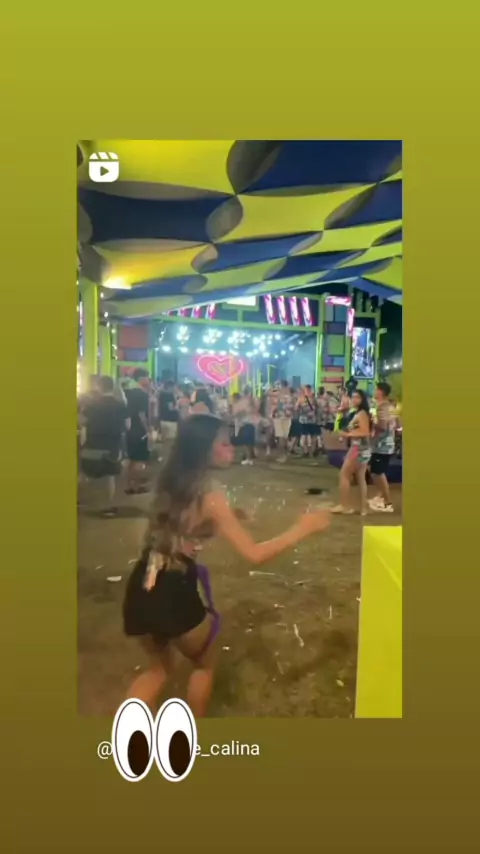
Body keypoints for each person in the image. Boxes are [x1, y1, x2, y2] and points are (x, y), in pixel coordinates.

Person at [123, 414, 331, 716]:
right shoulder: (211, 497)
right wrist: (303, 528)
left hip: (144, 581)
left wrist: (230, 515)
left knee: (158, 670)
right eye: (223, 443)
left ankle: (128, 734)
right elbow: (254, 554)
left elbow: (184, 524)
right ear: (204, 450)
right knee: (204, 664)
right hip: (173, 590)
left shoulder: (172, 481)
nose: (231, 447)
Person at [79, 375, 130, 517]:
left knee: (89, 473)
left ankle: (88, 502)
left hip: (93, 443)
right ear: (112, 387)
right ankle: (108, 507)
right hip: (112, 445)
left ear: (99, 387)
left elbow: (81, 421)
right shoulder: (120, 405)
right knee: (109, 476)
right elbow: (127, 425)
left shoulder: (91, 404)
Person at [332, 389, 372, 516]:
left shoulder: (361, 414)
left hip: (357, 449)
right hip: (362, 449)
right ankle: (363, 508)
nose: (354, 399)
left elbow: (365, 432)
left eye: (357, 397)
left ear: (362, 399)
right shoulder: (359, 413)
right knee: (360, 477)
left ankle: (344, 506)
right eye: (353, 397)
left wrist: (348, 435)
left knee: (344, 475)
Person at [368, 382, 395, 513]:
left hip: (381, 445)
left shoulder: (382, 407)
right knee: (375, 471)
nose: (374, 391)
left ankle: (387, 502)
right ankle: (380, 496)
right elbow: (397, 424)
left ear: (381, 392)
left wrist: (372, 424)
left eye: (376, 389)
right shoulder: (390, 406)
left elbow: (382, 426)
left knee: (378, 473)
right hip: (387, 444)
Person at [125, 369, 151, 495]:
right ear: (142, 379)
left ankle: (130, 485)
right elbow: (142, 415)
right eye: (147, 378)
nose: (149, 381)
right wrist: (148, 430)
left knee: (132, 460)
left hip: (130, 430)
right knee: (140, 460)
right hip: (140, 431)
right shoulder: (143, 395)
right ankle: (137, 486)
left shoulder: (128, 393)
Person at [232, 389, 257, 465]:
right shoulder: (246, 404)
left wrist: (238, 412)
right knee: (248, 443)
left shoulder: (243, 405)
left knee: (246, 443)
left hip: (246, 424)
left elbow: (237, 414)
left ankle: (248, 458)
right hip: (248, 424)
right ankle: (249, 458)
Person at [272, 380, 294, 462]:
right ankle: (285, 454)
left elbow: (275, 407)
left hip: (279, 417)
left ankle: (282, 456)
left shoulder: (278, 395)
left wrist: (273, 414)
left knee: (281, 437)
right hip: (287, 418)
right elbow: (292, 407)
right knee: (285, 437)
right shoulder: (290, 395)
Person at [296, 385, 318, 458]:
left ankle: (306, 452)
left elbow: (296, 408)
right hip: (312, 420)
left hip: (304, 420)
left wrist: (302, 411)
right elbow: (317, 408)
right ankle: (312, 451)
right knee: (313, 435)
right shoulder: (313, 398)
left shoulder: (301, 399)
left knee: (305, 435)